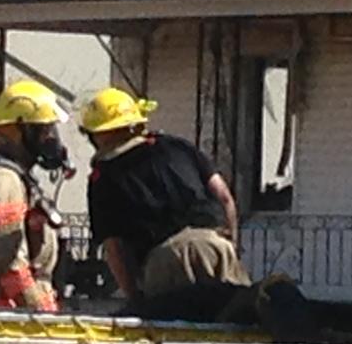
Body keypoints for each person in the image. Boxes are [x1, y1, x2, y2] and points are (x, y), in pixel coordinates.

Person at [80, 87, 250, 303]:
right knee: (236, 321)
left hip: (167, 260)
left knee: (180, 331)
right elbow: (224, 196)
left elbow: (114, 248)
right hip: (216, 246)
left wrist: (135, 299)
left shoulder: (103, 177)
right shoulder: (178, 146)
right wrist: (229, 247)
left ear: (101, 133)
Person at [0, 79, 70, 312]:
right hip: (5, 320)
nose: (51, 139)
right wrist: (39, 312)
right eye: (44, 130)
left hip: (14, 316)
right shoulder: (3, 181)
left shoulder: (18, 178)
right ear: (21, 131)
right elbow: (8, 261)